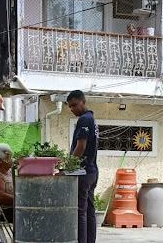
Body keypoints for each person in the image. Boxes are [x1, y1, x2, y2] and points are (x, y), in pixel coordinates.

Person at [67, 90, 99, 243]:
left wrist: (69, 166)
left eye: (75, 105)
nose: (73, 109)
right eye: (70, 107)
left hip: (83, 172)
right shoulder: (92, 118)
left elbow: (80, 146)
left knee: (80, 211)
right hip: (92, 171)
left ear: (83, 102)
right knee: (89, 211)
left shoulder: (84, 120)